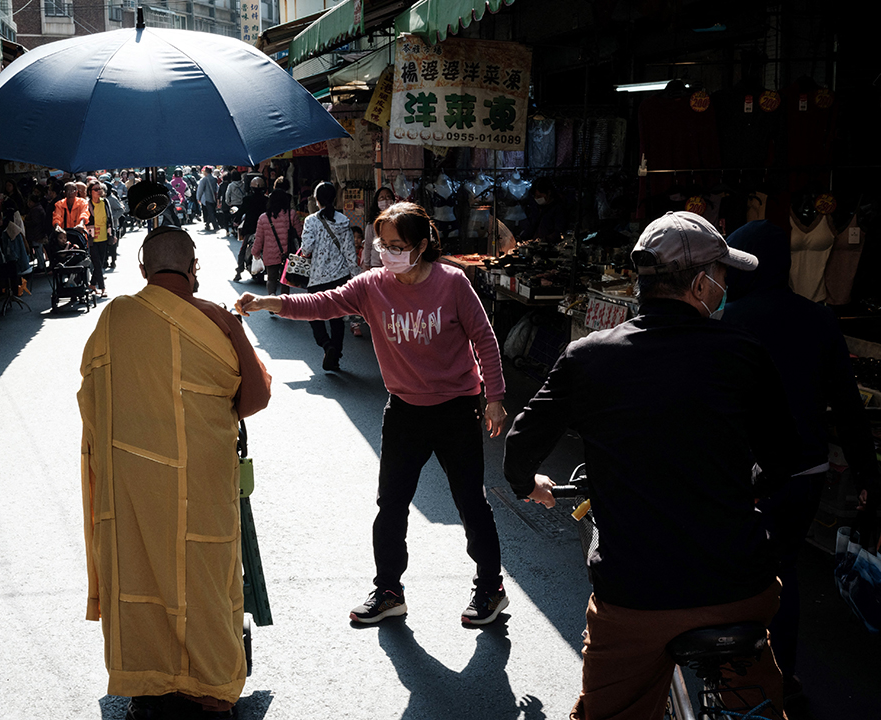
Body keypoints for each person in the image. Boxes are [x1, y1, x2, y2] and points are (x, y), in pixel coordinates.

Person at [502, 211, 800, 719]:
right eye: (724, 275)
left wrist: (529, 484)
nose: (725, 286)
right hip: (739, 589)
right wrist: (743, 486)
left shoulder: (588, 357)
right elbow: (784, 459)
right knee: (759, 705)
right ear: (702, 283)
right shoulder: (744, 352)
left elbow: (519, 450)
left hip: (634, 597)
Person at [236, 202, 510, 626]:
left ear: (422, 245)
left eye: (398, 246)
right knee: (391, 504)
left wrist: (495, 396)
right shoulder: (371, 285)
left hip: (456, 408)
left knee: (471, 503)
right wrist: (269, 302)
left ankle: (490, 589)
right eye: (384, 245)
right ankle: (388, 591)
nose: (388, 253)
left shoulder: (452, 283)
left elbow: (484, 339)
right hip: (404, 411)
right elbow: (322, 303)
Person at [79, 227, 272, 720]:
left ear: (142, 269)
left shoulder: (115, 318)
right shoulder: (215, 322)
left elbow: (92, 398)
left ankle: (148, 684)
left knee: (139, 569)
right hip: (203, 485)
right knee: (205, 578)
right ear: (194, 271)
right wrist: (233, 329)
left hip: (133, 488)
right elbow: (254, 399)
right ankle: (210, 690)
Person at [721, 219, 878, 701]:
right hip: (806, 474)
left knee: (739, 572)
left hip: (747, 476)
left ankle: (742, 681)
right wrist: (870, 476)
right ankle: (782, 675)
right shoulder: (818, 319)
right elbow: (848, 407)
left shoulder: (730, 321)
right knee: (784, 571)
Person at [292, 182, 356, 371]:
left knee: (314, 315)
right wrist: (356, 277)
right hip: (339, 277)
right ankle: (335, 355)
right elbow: (350, 253)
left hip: (316, 278)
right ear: (335, 199)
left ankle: (327, 346)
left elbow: (306, 249)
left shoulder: (311, 221)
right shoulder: (344, 220)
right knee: (337, 319)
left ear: (317, 199)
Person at [250, 181, 302, 301]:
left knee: (271, 279)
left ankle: (271, 301)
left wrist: (255, 252)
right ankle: (284, 304)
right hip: (288, 254)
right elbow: (300, 233)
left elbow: (259, 238)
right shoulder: (291, 214)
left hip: (270, 254)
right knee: (285, 280)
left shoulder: (263, 217)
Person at [232, 177, 269, 282]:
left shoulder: (247, 199)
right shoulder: (266, 200)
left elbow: (241, 211)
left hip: (250, 229)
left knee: (243, 250)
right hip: (264, 230)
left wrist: (236, 220)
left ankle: (239, 272)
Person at [85, 182, 117, 297]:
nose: (99, 191)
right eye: (95, 189)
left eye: (100, 189)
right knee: (97, 264)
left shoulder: (105, 202)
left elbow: (110, 219)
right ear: (90, 192)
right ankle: (103, 288)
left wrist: (112, 234)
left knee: (102, 262)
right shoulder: (87, 204)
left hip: (104, 237)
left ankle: (92, 284)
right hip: (92, 239)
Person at [197, 166, 220, 232]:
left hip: (207, 198)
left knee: (211, 212)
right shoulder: (214, 178)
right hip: (214, 197)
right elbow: (217, 188)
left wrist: (198, 198)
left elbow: (200, 189)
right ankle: (207, 224)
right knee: (212, 211)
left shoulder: (204, 179)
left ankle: (216, 226)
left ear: (206, 172)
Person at [224, 171, 246, 239]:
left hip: (234, 204)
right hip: (242, 204)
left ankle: (234, 230)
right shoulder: (243, 184)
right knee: (241, 217)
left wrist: (228, 202)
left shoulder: (231, 185)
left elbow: (227, 195)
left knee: (233, 217)